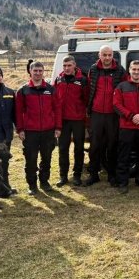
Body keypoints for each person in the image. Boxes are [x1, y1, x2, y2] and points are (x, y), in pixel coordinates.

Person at [15, 61, 61, 195]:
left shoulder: (51, 89)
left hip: (48, 131)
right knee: (31, 159)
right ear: (30, 71)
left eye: (40, 71)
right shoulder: (23, 90)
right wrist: (20, 129)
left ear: (43, 72)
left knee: (47, 158)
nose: (38, 73)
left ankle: (44, 182)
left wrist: (58, 127)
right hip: (30, 132)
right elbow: (18, 112)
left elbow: (57, 109)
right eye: (35, 70)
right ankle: (32, 185)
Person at [85, 45, 127, 187]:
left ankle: (112, 175)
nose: (107, 57)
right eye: (104, 55)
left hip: (113, 114)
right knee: (95, 145)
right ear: (99, 55)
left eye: (109, 55)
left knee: (112, 145)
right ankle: (93, 174)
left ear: (113, 55)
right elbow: (90, 88)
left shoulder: (120, 70)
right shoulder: (93, 69)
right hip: (96, 113)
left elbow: (125, 89)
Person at [113, 60, 139, 194]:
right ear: (129, 70)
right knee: (124, 156)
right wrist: (131, 116)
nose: (136, 72)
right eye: (134, 69)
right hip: (127, 127)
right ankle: (122, 182)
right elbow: (116, 104)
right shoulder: (121, 86)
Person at [54, 55, 88, 187]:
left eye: (69, 65)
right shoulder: (59, 79)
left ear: (74, 65)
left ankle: (77, 175)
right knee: (63, 148)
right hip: (63, 120)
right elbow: (54, 98)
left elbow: (86, 98)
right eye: (64, 66)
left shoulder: (82, 80)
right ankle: (63, 176)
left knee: (79, 148)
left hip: (78, 119)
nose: (67, 68)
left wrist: (82, 112)